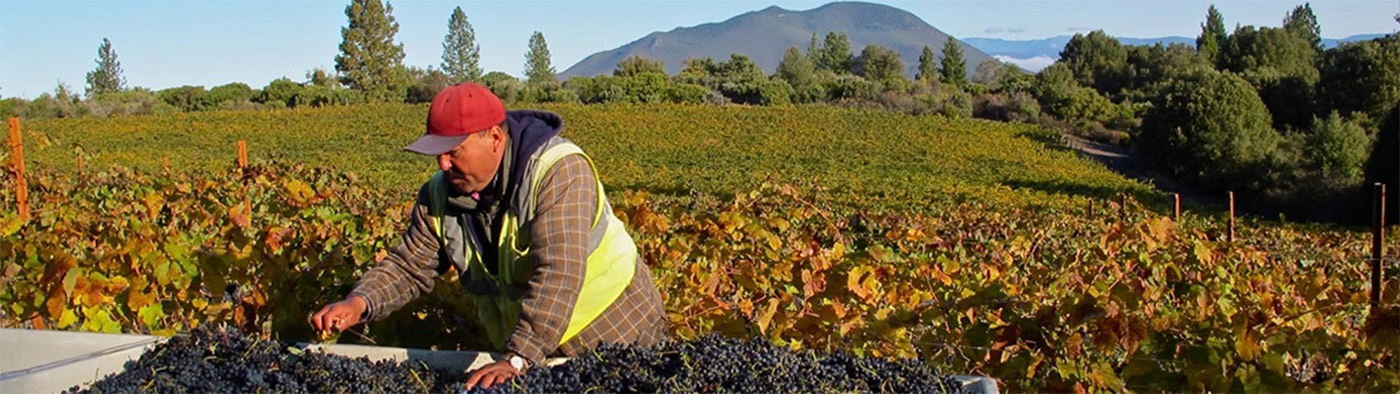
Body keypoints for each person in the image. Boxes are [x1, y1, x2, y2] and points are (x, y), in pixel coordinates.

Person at [309, 83, 669, 390]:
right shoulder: (439, 194)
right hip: (530, 350)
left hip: (616, 334)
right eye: (438, 154)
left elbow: (559, 272)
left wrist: (517, 356)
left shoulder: (559, 171)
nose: (443, 165)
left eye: (453, 152)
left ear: (494, 138)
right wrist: (359, 303)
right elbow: (409, 266)